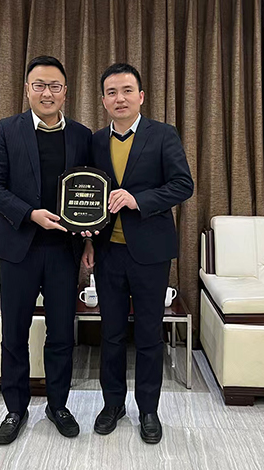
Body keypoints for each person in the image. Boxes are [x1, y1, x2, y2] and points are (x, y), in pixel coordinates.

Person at [0, 56, 92, 445]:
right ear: (27, 89)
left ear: (66, 92)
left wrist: (89, 239)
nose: (48, 93)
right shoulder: (6, 130)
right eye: (40, 85)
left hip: (64, 249)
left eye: (55, 86)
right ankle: (15, 408)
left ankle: (58, 405)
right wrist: (30, 214)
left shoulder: (81, 135)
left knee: (62, 333)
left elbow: (90, 191)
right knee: (14, 332)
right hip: (18, 247)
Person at [82, 63, 194, 444]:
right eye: (112, 92)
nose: (120, 98)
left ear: (141, 96)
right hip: (108, 252)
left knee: (148, 334)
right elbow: (90, 197)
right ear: (103, 100)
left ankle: (148, 410)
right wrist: (88, 242)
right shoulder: (95, 141)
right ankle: (112, 404)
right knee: (111, 334)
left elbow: (183, 185)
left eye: (127, 91)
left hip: (150, 253)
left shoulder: (163, 135)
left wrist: (137, 199)